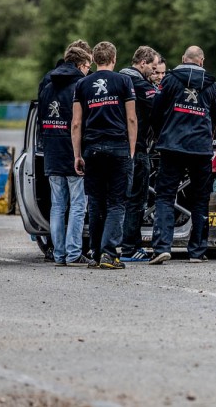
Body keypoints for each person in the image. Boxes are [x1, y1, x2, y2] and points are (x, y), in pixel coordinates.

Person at [147, 45, 216, 265]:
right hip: (200, 149)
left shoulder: (169, 80)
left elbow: (156, 110)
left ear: (183, 59)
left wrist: (162, 135)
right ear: (201, 61)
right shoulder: (211, 85)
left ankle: (161, 247)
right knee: (200, 199)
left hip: (172, 146)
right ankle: (197, 252)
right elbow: (215, 115)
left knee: (165, 196)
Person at [71, 41, 137, 270]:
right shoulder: (124, 81)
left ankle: (96, 254)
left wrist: (77, 155)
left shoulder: (82, 84)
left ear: (95, 60)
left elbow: (76, 123)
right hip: (118, 148)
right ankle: (110, 254)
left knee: (96, 204)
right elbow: (131, 119)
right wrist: (131, 149)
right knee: (117, 203)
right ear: (114, 59)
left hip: (93, 149)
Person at [38, 46, 91, 267]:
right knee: (78, 206)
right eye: (88, 66)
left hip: (51, 152)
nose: (89, 71)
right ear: (80, 65)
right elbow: (81, 123)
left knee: (57, 206)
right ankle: (73, 253)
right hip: (73, 153)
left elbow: (41, 122)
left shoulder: (47, 87)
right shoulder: (80, 87)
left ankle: (59, 254)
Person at [119, 46, 161, 260]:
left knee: (113, 200)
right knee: (136, 200)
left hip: (114, 147)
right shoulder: (139, 84)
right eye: (153, 67)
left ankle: (104, 248)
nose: (154, 72)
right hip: (137, 149)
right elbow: (161, 107)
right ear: (142, 63)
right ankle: (130, 248)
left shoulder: (117, 80)